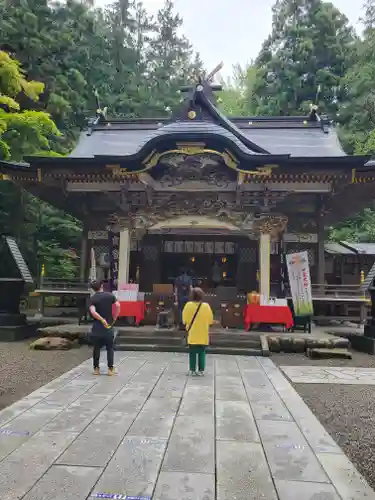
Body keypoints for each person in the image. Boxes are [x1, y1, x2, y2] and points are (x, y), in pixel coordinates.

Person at [88, 280, 120, 376]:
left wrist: (101, 319)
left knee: (96, 348)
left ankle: (96, 369)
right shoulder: (109, 296)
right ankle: (110, 369)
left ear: (93, 289)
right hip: (108, 326)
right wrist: (115, 317)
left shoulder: (92, 299)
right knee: (110, 347)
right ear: (102, 286)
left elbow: (93, 312)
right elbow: (118, 305)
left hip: (97, 326)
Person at [182, 287, 213, 376]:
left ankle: (192, 369)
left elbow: (184, 320)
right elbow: (210, 320)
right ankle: (201, 370)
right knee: (202, 353)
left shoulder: (188, 305)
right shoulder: (206, 306)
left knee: (192, 352)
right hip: (203, 334)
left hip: (192, 333)